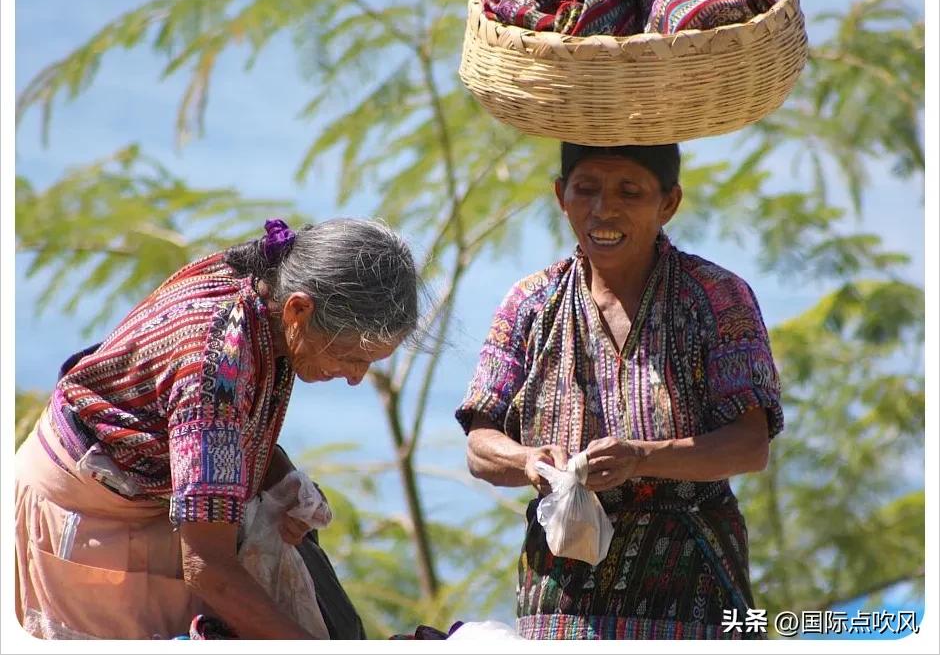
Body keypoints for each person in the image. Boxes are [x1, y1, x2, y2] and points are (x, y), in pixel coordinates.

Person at [15, 218, 420, 639]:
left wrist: (282, 481)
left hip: (147, 507)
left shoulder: (264, 291)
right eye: (351, 357)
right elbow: (209, 569)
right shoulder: (216, 370)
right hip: (88, 515)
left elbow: (218, 432)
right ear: (299, 310)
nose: (356, 377)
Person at [456, 143, 783, 639]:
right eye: (585, 189)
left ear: (668, 203)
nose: (603, 209)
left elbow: (749, 445)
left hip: (693, 595)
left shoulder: (717, 297)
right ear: (560, 196)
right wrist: (528, 460)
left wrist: (641, 457)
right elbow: (480, 445)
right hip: (561, 603)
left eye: (629, 192)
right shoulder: (530, 303)